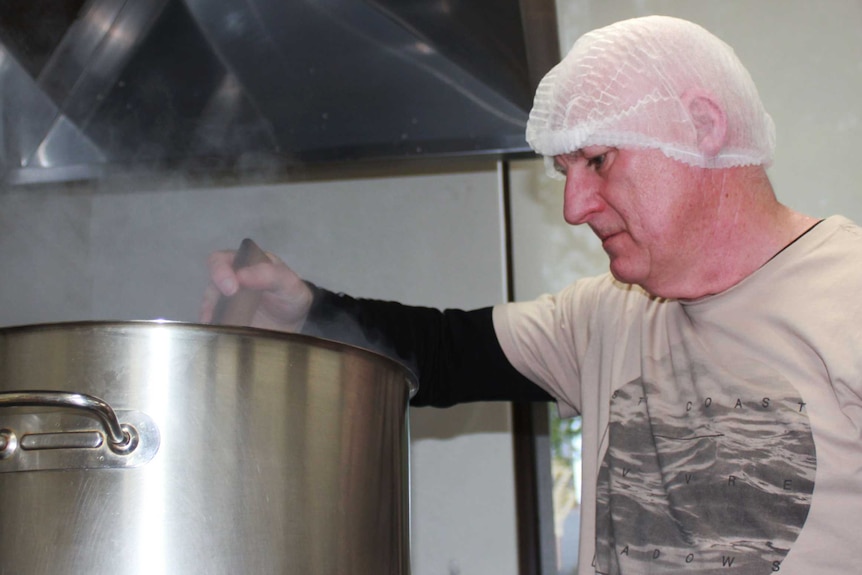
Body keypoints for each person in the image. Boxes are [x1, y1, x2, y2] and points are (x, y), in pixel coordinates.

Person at [201, 15, 862, 575]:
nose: (575, 206)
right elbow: (444, 351)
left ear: (702, 125)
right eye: (563, 172)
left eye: (598, 161)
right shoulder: (607, 316)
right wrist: (307, 310)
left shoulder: (849, 293)